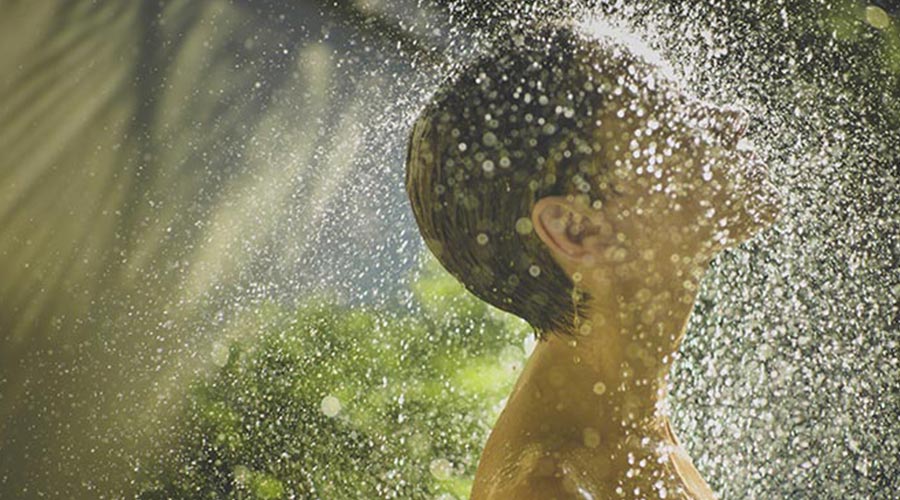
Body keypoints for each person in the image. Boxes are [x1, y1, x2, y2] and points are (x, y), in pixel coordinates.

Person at [405, 22, 781, 500]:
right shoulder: (549, 491)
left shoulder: (627, 428)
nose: (729, 119)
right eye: (668, 119)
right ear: (576, 231)